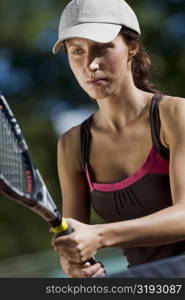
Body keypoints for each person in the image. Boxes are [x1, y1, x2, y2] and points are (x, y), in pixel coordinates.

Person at [51, 0, 185, 278]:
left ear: (131, 47)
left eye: (102, 47)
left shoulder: (175, 114)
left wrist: (99, 236)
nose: (91, 64)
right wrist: (75, 264)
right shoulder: (72, 145)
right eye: (77, 51)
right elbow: (77, 241)